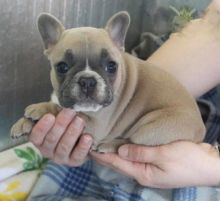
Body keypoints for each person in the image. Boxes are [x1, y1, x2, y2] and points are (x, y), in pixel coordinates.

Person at [29, 0, 220, 189]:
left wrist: (210, 166)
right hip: (175, 127)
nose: (87, 83)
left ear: (120, 43)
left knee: (140, 137)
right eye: (63, 67)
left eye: (110, 67)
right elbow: (214, 28)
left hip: (177, 135)